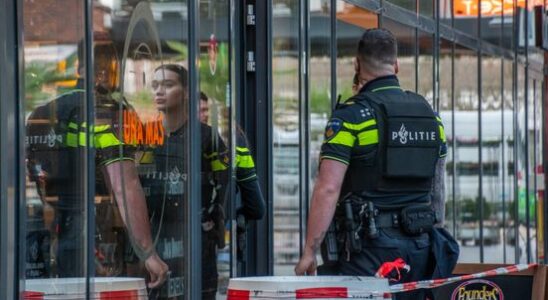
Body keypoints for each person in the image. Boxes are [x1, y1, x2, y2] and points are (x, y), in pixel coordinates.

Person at [295, 28, 454, 299]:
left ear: (357, 65)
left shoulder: (351, 118)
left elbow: (328, 188)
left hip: (369, 251)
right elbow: (438, 188)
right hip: (421, 248)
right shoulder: (431, 117)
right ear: (396, 65)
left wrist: (310, 251)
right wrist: (434, 233)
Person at [26, 41, 168, 287]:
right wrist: (148, 253)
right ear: (103, 72)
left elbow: (33, 175)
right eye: (116, 70)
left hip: (57, 230)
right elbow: (125, 184)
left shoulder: (43, 111)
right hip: (100, 236)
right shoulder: (106, 110)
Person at [134, 64, 229, 299]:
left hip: (196, 242)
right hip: (155, 240)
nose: (159, 91)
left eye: (168, 85)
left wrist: (216, 226)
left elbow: (226, 185)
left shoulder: (206, 137)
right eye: (155, 85)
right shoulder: (144, 137)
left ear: (186, 92)